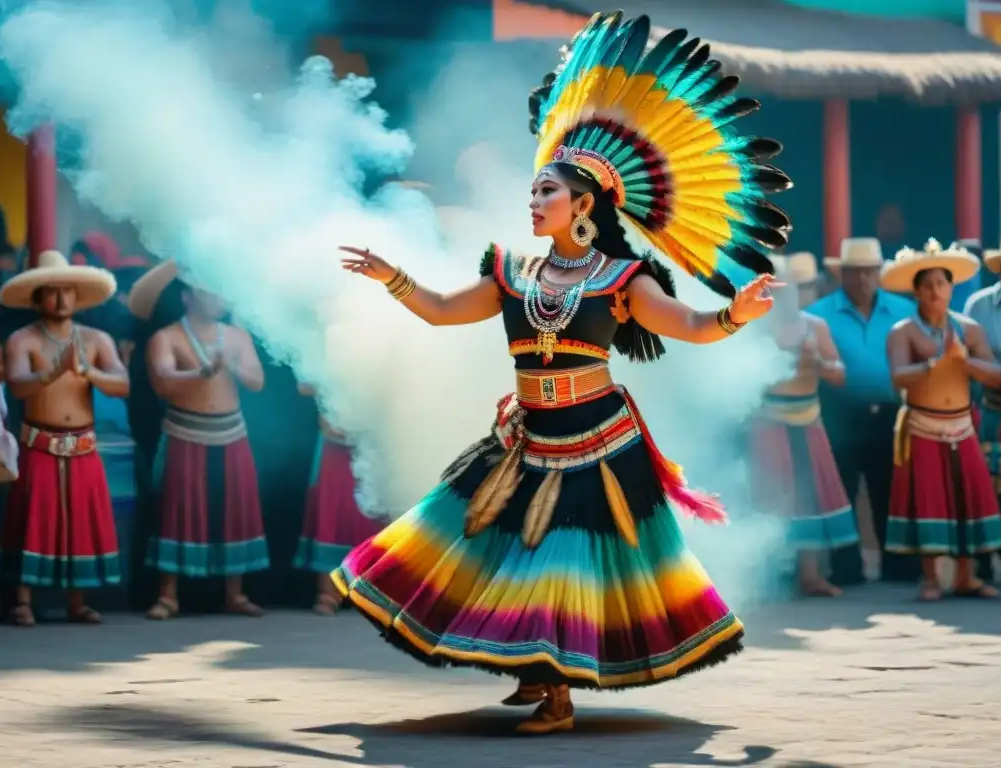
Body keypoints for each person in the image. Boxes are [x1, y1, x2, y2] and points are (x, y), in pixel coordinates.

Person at [331, 12, 791, 734]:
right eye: (534, 189)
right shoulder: (511, 273)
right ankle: (535, 668)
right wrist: (394, 276)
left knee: (562, 565)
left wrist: (738, 312)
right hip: (527, 437)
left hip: (598, 443)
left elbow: (694, 327)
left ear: (583, 205)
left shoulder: (622, 278)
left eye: (546, 191)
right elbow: (442, 311)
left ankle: (557, 693)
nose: (533, 199)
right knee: (498, 548)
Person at [126, 260, 268, 619]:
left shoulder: (237, 336)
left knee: (237, 508)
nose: (218, 297)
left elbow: (256, 381)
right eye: (209, 289)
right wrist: (200, 372)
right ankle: (168, 595)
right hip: (184, 431)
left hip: (232, 431)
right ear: (188, 297)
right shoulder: (167, 336)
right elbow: (162, 381)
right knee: (176, 510)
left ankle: (235, 594)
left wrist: (230, 366)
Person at [0, 250, 129, 625]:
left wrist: (88, 371)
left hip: (83, 443)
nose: (61, 299)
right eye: (52, 292)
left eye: (67, 291)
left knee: (81, 523)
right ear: (38, 297)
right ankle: (22, 601)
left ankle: (78, 601)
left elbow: (123, 384)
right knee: (31, 521)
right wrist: (52, 373)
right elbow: (19, 387)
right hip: (40, 441)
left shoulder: (97, 339)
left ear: (77, 296)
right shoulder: (22, 340)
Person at [883, 238, 1001, 600]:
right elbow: (898, 376)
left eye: (943, 283)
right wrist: (937, 363)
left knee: (967, 497)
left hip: (962, 425)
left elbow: (996, 375)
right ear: (917, 292)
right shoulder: (902, 332)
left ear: (952, 287)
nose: (937, 292)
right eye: (929, 286)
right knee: (929, 498)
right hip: (923, 425)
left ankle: (967, 577)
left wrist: (964, 360)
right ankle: (932, 579)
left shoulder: (970, 329)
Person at [806, 237, 916, 584]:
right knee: (843, 492)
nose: (863, 280)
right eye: (855, 273)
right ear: (843, 274)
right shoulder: (819, 314)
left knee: (892, 491)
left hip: (891, 413)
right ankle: (846, 568)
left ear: (879, 272)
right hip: (839, 415)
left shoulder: (903, 310)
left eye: (870, 272)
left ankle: (897, 565)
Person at [752, 253, 857, 596]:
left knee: (810, 496)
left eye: (782, 288)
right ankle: (769, 579)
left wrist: (818, 363)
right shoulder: (750, 326)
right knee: (772, 498)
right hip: (769, 421)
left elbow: (839, 375)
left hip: (808, 418)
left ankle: (810, 576)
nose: (777, 294)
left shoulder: (815, 326)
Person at [294, 382, 387, 614]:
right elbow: (304, 386)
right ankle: (328, 593)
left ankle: (369, 593)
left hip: (374, 444)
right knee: (332, 514)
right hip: (335, 444)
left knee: (372, 518)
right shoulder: (327, 348)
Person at [963, 231, 1001, 580]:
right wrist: (1000, 376)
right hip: (995, 411)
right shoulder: (979, 306)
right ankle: (990, 558)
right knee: (993, 487)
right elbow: (968, 359)